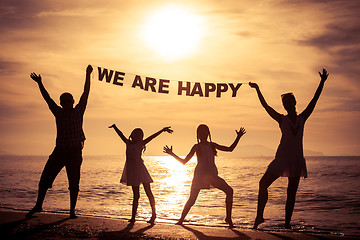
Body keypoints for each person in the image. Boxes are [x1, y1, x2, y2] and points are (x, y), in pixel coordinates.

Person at [249, 69, 329, 229]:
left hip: (296, 160)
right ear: (284, 106)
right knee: (263, 183)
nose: (288, 105)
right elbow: (266, 106)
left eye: (290, 102)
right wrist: (258, 89)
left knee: (291, 194)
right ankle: (259, 217)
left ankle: (287, 224)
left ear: (294, 103)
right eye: (285, 103)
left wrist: (322, 82)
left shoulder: (302, 118)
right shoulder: (281, 119)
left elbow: (314, 100)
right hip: (282, 158)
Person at [26, 65, 93, 219]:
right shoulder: (58, 112)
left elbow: (86, 93)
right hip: (59, 151)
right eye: (64, 101)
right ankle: (38, 205)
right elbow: (47, 99)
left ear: (72, 101)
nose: (67, 103)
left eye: (69, 101)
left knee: (74, 183)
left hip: (75, 152)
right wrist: (40, 83)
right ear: (61, 103)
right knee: (45, 179)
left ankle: (72, 211)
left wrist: (88, 74)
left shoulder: (78, 111)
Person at [163, 124, 246, 228]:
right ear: (198, 135)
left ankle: (228, 218)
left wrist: (238, 137)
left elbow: (230, 149)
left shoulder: (212, 145)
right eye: (200, 132)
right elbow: (184, 161)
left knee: (229, 191)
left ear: (208, 133)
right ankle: (181, 220)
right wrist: (172, 154)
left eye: (205, 131)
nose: (203, 134)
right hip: (199, 177)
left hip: (212, 176)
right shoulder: (196, 147)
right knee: (192, 200)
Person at [109, 124, 173, 224]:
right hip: (131, 171)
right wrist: (115, 127)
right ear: (132, 135)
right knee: (136, 195)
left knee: (148, 192)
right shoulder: (128, 143)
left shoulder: (140, 143)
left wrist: (162, 130)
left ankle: (154, 214)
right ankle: (133, 217)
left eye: (139, 135)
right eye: (136, 134)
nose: (137, 136)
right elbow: (121, 135)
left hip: (140, 170)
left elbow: (152, 137)